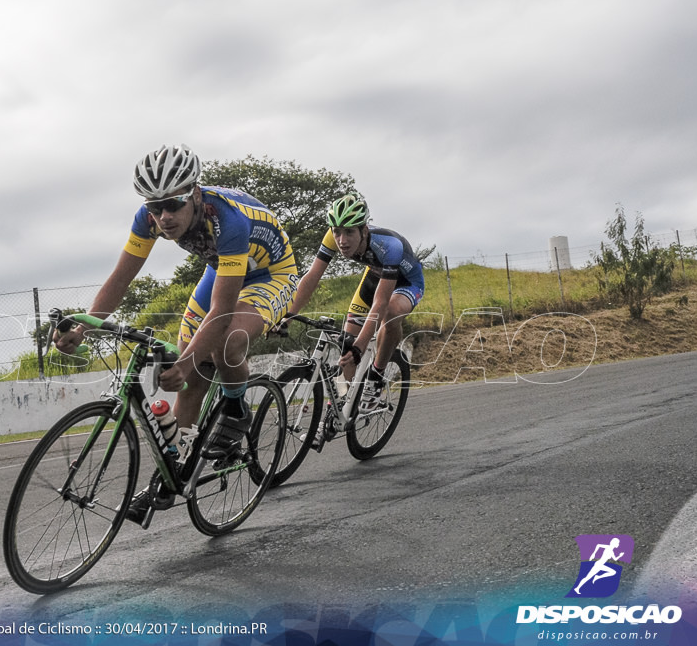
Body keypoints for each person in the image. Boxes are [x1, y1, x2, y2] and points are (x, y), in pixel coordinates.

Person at [54, 144, 299, 519]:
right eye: (155, 207)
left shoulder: (229, 221)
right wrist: (87, 325)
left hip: (271, 273)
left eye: (173, 204)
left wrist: (186, 362)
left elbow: (222, 311)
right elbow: (122, 277)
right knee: (190, 377)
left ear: (195, 194)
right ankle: (172, 474)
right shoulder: (148, 218)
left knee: (225, 345)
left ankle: (236, 409)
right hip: (222, 267)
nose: (164, 216)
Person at [284, 194, 425, 444]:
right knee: (346, 346)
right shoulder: (333, 237)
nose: (342, 240)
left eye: (349, 232)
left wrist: (362, 346)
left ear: (363, 230)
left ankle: (375, 380)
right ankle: (333, 416)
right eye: (337, 231)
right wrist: (288, 314)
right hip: (375, 277)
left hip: (406, 283)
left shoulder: (388, 245)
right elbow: (312, 277)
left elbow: (380, 303)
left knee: (390, 313)